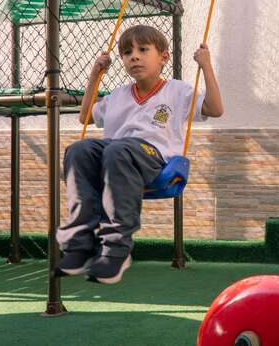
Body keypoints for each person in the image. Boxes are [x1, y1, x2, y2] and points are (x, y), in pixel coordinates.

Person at [56, 24, 223, 284]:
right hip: (116, 155)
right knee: (79, 149)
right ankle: (80, 243)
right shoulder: (117, 96)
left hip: (154, 159)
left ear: (164, 57)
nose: (134, 56)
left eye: (143, 50)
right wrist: (95, 74)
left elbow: (215, 108)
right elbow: (85, 116)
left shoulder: (177, 91)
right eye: (126, 52)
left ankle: (116, 249)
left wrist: (206, 65)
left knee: (119, 148)